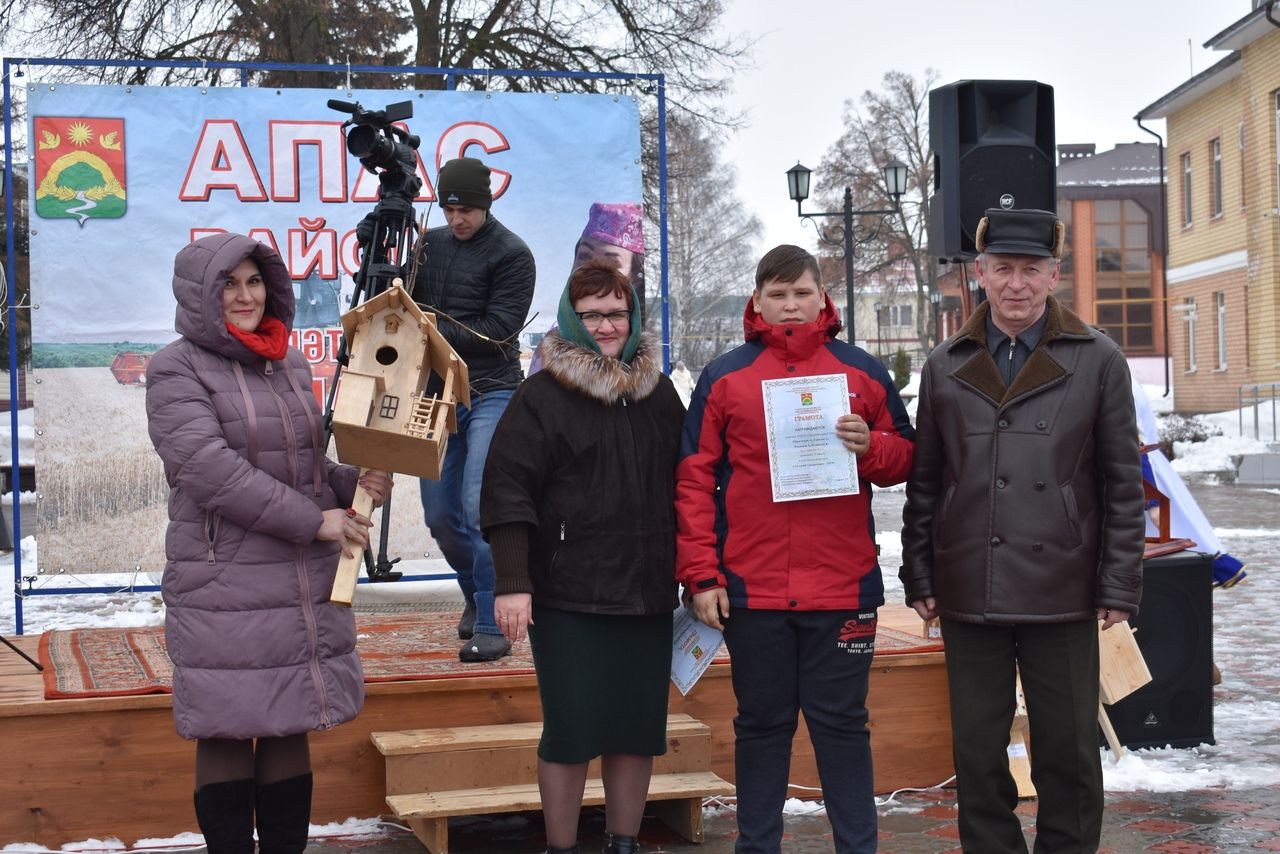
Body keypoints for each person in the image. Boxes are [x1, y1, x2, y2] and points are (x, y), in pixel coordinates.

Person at [900, 207, 1145, 854]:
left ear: (1053, 275)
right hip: (967, 586)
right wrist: (918, 573)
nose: (1016, 284)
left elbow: (1123, 484)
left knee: (1066, 758)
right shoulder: (944, 363)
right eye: (1002, 269)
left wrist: (1118, 583)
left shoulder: (1099, 360)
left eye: (1030, 270)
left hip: (1063, 586)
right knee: (978, 761)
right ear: (980, 273)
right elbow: (927, 482)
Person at [145, 232, 392, 854]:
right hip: (224, 575)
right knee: (228, 727)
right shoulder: (176, 367)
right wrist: (317, 522)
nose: (244, 295)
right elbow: (209, 471)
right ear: (201, 296)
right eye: (228, 284)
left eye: (255, 282)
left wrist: (351, 483)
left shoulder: (287, 362)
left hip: (297, 575)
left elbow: (302, 467)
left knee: (289, 720)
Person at [676, 244, 915, 854]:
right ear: (757, 300)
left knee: (842, 728)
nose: (789, 305)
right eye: (776, 294)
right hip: (753, 589)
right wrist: (702, 575)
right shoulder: (725, 377)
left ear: (821, 297)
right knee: (762, 727)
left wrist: (873, 447)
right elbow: (694, 479)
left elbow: (907, 458)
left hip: (844, 584)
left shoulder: (860, 371)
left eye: (801, 292)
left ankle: (857, 848)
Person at [481, 260, 685, 854]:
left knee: (636, 731)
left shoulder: (659, 392)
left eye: (615, 314)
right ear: (572, 317)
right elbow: (506, 490)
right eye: (591, 314)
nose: (604, 326)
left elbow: (691, 481)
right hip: (567, 596)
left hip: (646, 593)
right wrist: (512, 580)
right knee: (571, 733)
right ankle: (562, 848)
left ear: (633, 316)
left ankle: (624, 843)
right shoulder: (542, 395)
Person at [412, 155, 536, 662]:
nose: (456, 218)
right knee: (439, 514)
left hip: (492, 390)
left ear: (486, 203)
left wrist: (427, 327)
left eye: (465, 209)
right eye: (448, 207)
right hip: (437, 392)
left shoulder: (513, 254)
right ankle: (471, 591)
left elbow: (498, 331)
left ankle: (492, 619)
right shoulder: (430, 243)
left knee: (478, 505)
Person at [529, 201, 645, 376]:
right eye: (585, 256)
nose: (594, 268)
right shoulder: (546, 358)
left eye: (612, 262)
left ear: (636, 277)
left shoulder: (653, 382)